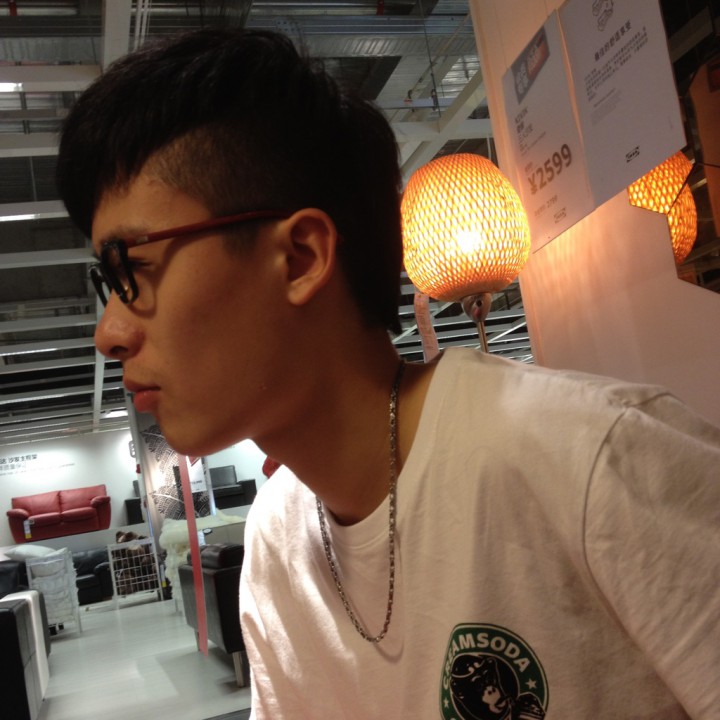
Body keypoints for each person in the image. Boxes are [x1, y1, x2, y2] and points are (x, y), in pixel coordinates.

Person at [55, 27, 720, 719]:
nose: (108, 334)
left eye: (132, 269)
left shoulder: (592, 460)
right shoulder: (276, 543)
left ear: (301, 258)